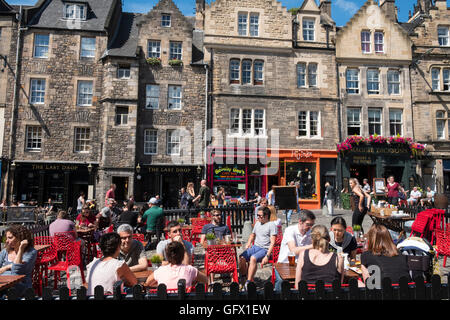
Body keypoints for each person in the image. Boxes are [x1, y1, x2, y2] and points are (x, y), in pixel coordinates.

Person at [274, 210, 315, 291]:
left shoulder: (310, 232)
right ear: (300, 221)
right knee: (281, 281)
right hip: (284, 263)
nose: (310, 227)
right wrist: (312, 246)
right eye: (308, 224)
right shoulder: (290, 230)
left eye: (312, 225)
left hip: (302, 264)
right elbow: (293, 250)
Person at [239, 206, 277, 289]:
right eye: (257, 215)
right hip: (255, 246)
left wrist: (267, 256)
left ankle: (248, 282)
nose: (258, 217)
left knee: (253, 258)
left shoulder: (271, 225)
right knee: (241, 257)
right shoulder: (257, 223)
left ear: (266, 216)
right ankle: (244, 277)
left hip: (265, 249)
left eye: (260, 216)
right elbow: (252, 235)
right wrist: (248, 243)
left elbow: (273, 242)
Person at [0, 225, 37, 296]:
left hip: (20, 286)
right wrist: (8, 267)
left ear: (21, 238)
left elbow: (17, 270)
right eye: (6, 238)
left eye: (10, 238)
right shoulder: (5, 252)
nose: (7, 241)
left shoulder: (31, 252)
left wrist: (21, 248)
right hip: (3, 285)